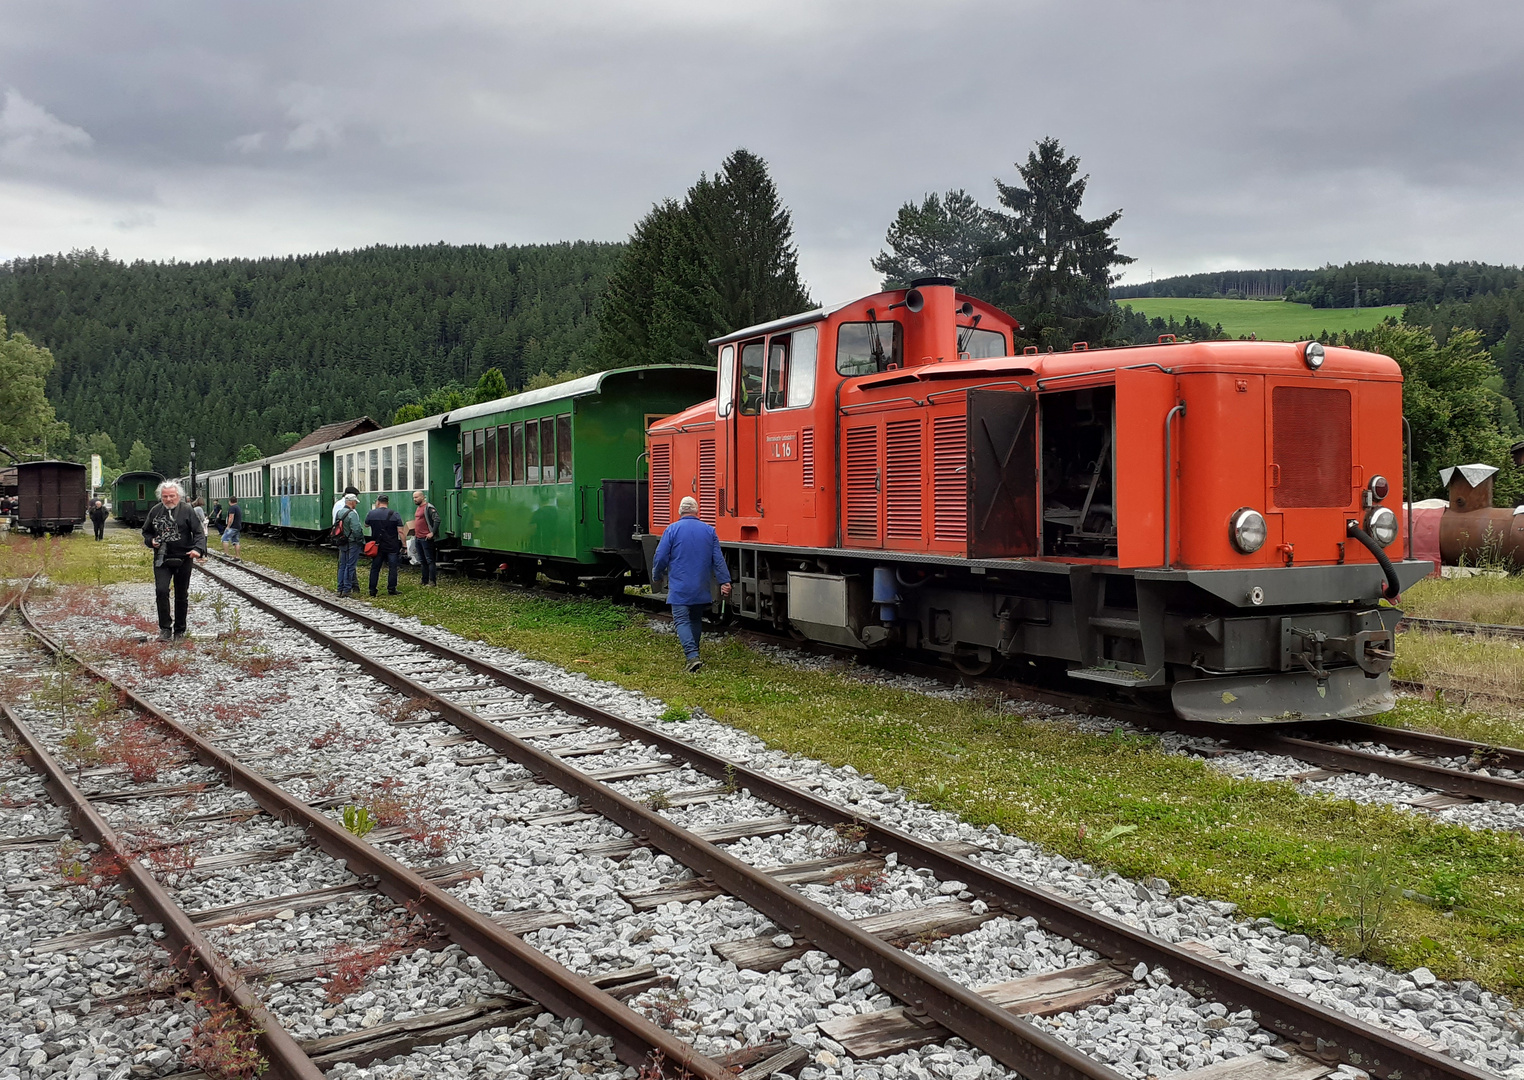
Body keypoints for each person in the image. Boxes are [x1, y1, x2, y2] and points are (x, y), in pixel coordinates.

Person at [651, 496, 731, 673]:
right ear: (697, 511)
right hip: (700, 586)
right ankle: (694, 654)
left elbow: (661, 556)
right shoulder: (709, 531)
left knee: (681, 620)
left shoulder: (672, 530)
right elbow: (718, 560)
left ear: (680, 511)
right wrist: (724, 581)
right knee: (695, 619)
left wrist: (656, 575)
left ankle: (692, 656)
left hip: (680, 586)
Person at [142, 480, 207, 641]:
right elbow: (146, 532)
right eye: (165, 496)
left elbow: (198, 532)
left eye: (172, 496)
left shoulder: (187, 510)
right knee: (161, 591)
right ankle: (165, 629)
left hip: (183, 557)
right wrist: (151, 542)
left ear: (178, 496)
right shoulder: (155, 511)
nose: (169, 499)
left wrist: (198, 549)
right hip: (162, 559)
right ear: (161, 497)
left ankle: (180, 630)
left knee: (181, 594)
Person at [365, 494, 406, 597]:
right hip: (392, 546)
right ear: (387, 502)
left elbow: (366, 525)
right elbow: (401, 532)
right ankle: (392, 589)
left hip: (377, 546)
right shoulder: (395, 514)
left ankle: (372, 590)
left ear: (378, 502)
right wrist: (404, 545)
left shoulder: (371, 513)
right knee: (393, 568)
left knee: (375, 568)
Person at [335, 493, 364, 597]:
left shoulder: (339, 512)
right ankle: (347, 589)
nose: (356, 503)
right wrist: (361, 541)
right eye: (355, 502)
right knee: (350, 565)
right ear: (351, 502)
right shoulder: (352, 514)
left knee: (342, 565)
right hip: (352, 542)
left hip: (342, 541)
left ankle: (340, 588)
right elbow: (356, 529)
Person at [410, 489, 440, 586]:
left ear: (422, 497)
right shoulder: (418, 508)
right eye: (414, 497)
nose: (414, 499)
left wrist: (432, 533)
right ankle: (424, 580)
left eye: (416, 497)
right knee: (422, 560)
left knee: (429, 560)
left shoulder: (428, 507)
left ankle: (432, 581)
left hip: (426, 538)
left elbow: (437, 519)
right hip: (418, 537)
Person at [221, 495, 243, 560]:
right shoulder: (238, 507)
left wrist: (228, 526)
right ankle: (237, 556)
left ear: (230, 501)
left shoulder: (232, 508)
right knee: (236, 541)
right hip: (237, 526)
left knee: (224, 538)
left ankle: (226, 553)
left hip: (232, 527)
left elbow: (231, 517)